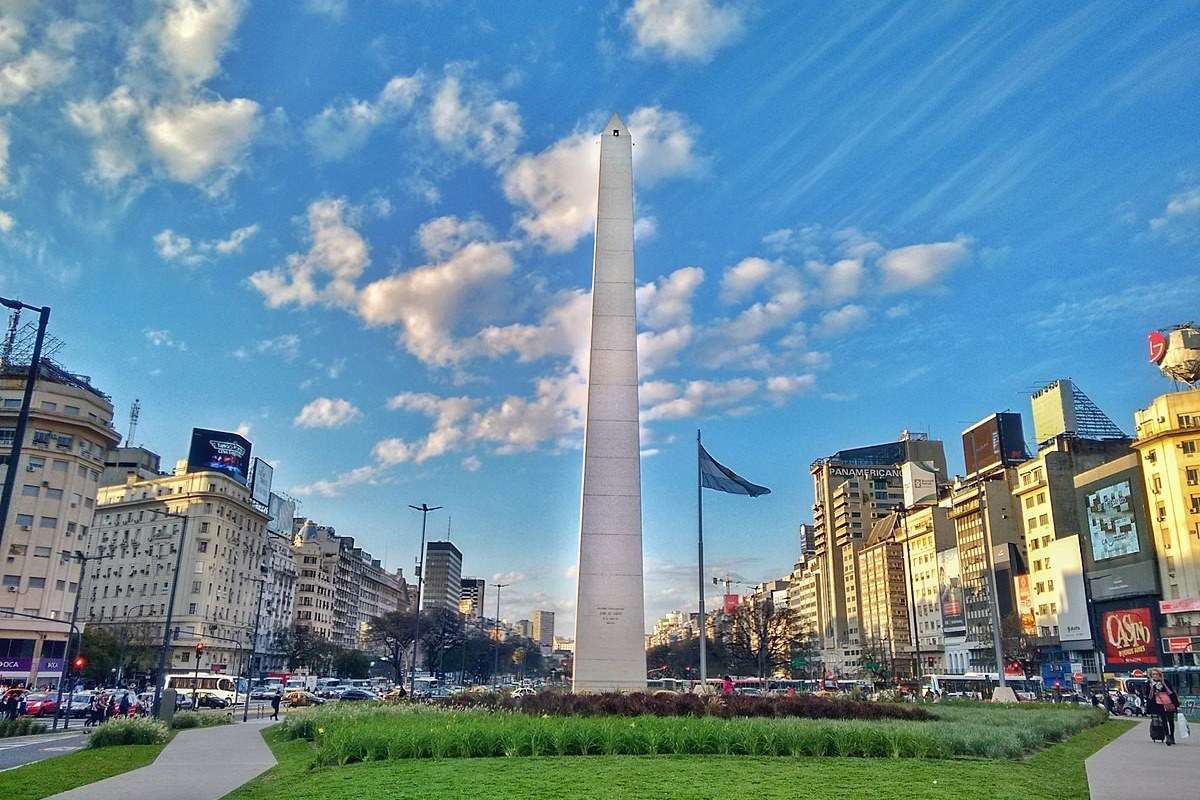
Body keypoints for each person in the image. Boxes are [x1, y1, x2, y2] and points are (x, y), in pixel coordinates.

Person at [1145, 668, 1180, 746]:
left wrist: (1163, 683)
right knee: (1163, 720)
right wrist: (1152, 688)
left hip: (1168, 703)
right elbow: (1149, 696)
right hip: (1158, 704)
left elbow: (1171, 692)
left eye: (1157, 674)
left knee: (1170, 720)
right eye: (1153, 674)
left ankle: (1172, 736)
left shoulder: (1165, 681)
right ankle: (1167, 736)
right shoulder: (1149, 683)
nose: (1155, 676)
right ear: (1151, 675)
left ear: (1160, 675)